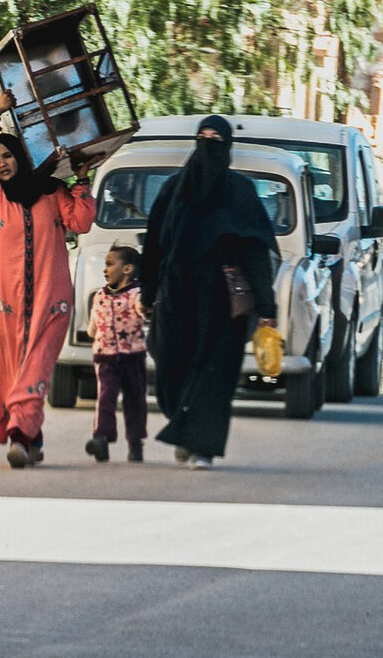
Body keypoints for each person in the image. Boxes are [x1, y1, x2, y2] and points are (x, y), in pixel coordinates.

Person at [139, 115, 279, 470]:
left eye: (216, 138)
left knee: (214, 371)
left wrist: (266, 304)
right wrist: (147, 292)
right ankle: (183, 425)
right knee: (171, 362)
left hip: (222, 295)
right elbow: (154, 244)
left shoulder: (241, 192)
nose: (208, 144)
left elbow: (255, 252)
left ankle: (201, 445)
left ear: (228, 145)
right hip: (176, 291)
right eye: (202, 136)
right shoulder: (173, 189)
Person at [0, 89, 96, 468]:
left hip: (49, 298)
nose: (3, 163)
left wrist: (82, 182)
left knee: (35, 366)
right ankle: (32, 437)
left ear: (22, 157)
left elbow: (82, 222)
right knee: (13, 370)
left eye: (8, 156)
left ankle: (20, 437)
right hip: (4, 299)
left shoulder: (52, 191)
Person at [85, 244, 148, 463]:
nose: (105, 269)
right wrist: (92, 333)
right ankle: (101, 438)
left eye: (111, 264)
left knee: (135, 401)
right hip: (105, 357)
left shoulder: (136, 294)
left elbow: (142, 308)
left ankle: (135, 442)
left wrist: (146, 308)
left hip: (133, 357)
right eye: (105, 264)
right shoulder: (100, 296)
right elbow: (93, 325)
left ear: (128, 269)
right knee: (105, 398)